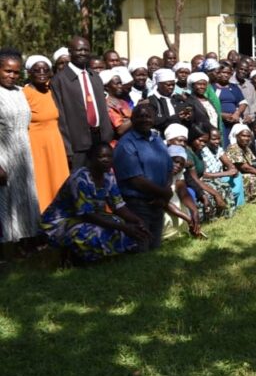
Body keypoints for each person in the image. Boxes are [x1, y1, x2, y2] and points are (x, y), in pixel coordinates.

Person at [40, 143, 151, 264]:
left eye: (109, 156)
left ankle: (107, 255)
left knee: (119, 222)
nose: (106, 160)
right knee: (95, 232)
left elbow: (118, 205)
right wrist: (124, 228)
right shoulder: (79, 179)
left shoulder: (108, 176)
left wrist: (137, 221)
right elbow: (86, 214)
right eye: (101, 157)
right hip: (61, 222)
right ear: (90, 158)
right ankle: (72, 257)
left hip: (86, 217)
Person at [112, 103, 180, 249]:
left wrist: (164, 195)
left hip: (158, 203)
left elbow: (168, 168)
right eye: (140, 116)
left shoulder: (157, 140)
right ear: (132, 119)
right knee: (140, 250)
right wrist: (165, 193)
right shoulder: (126, 144)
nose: (144, 119)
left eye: (148, 116)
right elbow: (136, 180)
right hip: (138, 206)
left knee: (155, 250)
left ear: (154, 119)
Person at [49, 36, 114, 169]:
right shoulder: (59, 80)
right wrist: (67, 148)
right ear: (70, 52)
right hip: (77, 145)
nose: (83, 53)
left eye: (86, 50)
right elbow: (60, 117)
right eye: (79, 50)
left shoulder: (95, 77)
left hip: (100, 141)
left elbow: (102, 109)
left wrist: (107, 136)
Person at [0, 49, 40, 254]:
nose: (12, 76)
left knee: (24, 197)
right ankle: (6, 247)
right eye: (7, 71)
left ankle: (23, 242)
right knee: (4, 200)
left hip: (22, 153)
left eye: (16, 72)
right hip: (3, 154)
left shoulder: (19, 92)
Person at [22, 56, 70, 213]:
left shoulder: (53, 91)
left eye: (45, 70)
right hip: (36, 146)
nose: (42, 73)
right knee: (41, 182)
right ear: (29, 73)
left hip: (55, 144)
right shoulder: (24, 94)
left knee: (58, 179)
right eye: (37, 70)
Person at [225, 124, 256, 204]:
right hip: (233, 175)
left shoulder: (246, 148)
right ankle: (252, 200)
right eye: (243, 136)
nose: (246, 138)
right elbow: (244, 167)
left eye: (248, 136)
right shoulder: (233, 148)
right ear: (236, 136)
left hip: (242, 172)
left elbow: (252, 163)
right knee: (252, 177)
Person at [101, 67, 135, 140]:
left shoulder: (122, 101)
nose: (120, 86)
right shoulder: (108, 104)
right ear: (106, 87)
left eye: (120, 83)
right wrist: (136, 116)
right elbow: (120, 129)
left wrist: (128, 121)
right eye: (116, 84)